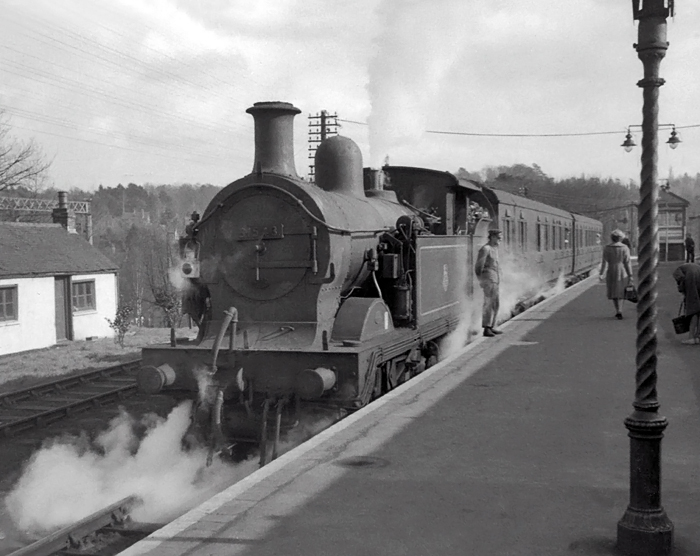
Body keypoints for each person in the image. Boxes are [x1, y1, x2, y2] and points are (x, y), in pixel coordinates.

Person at [599, 229, 633, 320]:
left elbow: (604, 262)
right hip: (622, 271)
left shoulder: (607, 248)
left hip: (611, 270)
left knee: (613, 291)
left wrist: (601, 273)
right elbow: (627, 262)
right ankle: (620, 310)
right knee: (621, 291)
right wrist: (630, 275)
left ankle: (617, 310)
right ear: (621, 238)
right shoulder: (625, 248)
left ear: (612, 238)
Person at [475, 229, 503, 337]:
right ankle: (486, 328)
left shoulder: (494, 249)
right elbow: (478, 266)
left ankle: (491, 326)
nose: (500, 239)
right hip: (488, 279)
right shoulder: (485, 249)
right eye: (498, 237)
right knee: (488, 303)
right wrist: (481, 280)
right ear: (492, 237)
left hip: (495, 279)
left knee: (495, 303)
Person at [672, 263, 700, 345]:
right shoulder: (690, 266)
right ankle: (698, 336)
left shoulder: (677, 271)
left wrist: (683, 290)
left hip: (692, 278)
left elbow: (680, 279)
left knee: (693, 310)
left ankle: (691, 337)